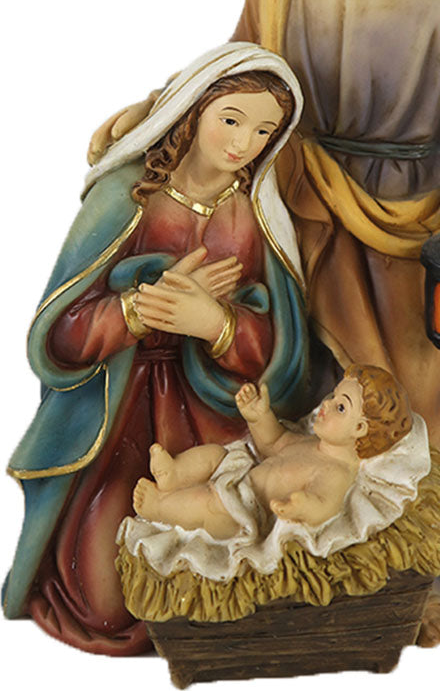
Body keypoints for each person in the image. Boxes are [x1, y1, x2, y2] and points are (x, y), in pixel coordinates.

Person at [85, 0, 440, 643]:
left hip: (402, 222)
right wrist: (156, 114)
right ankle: (276, 553)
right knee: (289, 383)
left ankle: (409, 572)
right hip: (293, 206)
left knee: (400, 400)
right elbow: (240, 72)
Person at [3, 42, 310, 655]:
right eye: (231, 119)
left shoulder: (256, 218)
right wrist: (139, 311)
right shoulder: (125, 198)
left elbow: (282, 356)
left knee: (246, 560)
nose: (244, 143)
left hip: (215, 419)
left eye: (264, 131)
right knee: (109, 599)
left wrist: (215, 323)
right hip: (118, 415)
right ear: (191, 111)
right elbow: (59, 336)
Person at [121, 363, 430, 583]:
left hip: (241, 511)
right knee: (217, 455)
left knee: (207, 503)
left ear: (360, 429)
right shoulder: (310, 443)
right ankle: (175, 474)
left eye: (341, 407)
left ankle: (159, 507)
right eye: (334, 396)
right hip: (240, 478)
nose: (327, 404)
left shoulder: (336, 472)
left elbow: (325, 506)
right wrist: (259, 416)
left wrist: (300, 506)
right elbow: (273, 443)